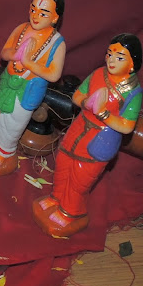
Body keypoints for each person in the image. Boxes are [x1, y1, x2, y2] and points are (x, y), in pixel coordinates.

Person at [33, 34, 142, 237]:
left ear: (132, 63)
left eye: (119, 57)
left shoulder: (132, 93)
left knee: (80, 177)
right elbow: (77, 95)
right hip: (79, 128)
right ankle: (56, 198)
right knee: (63, 163)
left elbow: (127, 127)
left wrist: (103, 114)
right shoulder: (98, 74)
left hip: (100, 139)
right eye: (109, 54)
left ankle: (70, 212)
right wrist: (87, 103)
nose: (111, 60)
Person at [0, 0, 66, 177]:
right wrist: (16, 54)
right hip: (7, 81)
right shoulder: (22, 28)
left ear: (55, 18)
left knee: (13, 121)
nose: (35, 16)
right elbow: (4, 53)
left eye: (43, 13)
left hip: (27, 89)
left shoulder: (57, 43)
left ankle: (3, 152)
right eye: (33, 9)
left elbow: (54, 75)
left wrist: (29, 63)